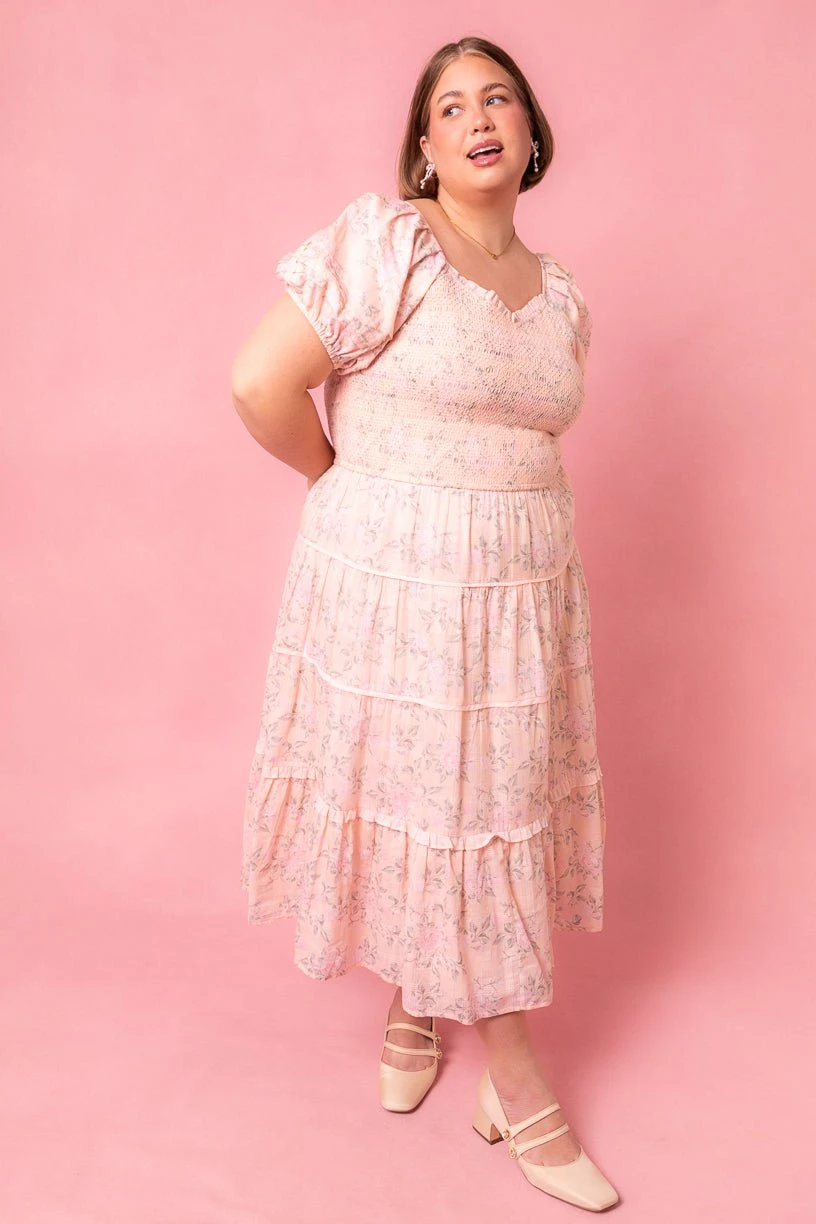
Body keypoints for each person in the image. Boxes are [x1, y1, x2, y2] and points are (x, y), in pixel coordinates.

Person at [231, 35, 619, 1213]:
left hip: (521, 593)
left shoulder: (561, 295)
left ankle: (417, 999)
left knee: (482, 801)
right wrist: (341, 485)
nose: (478, 118)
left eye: (498, 98)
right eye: (450, 107)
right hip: (399, 584)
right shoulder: (390, 245)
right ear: (424, 148)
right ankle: (518, 1076)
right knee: (437, 792)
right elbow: (260, 384)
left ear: (531, 131)